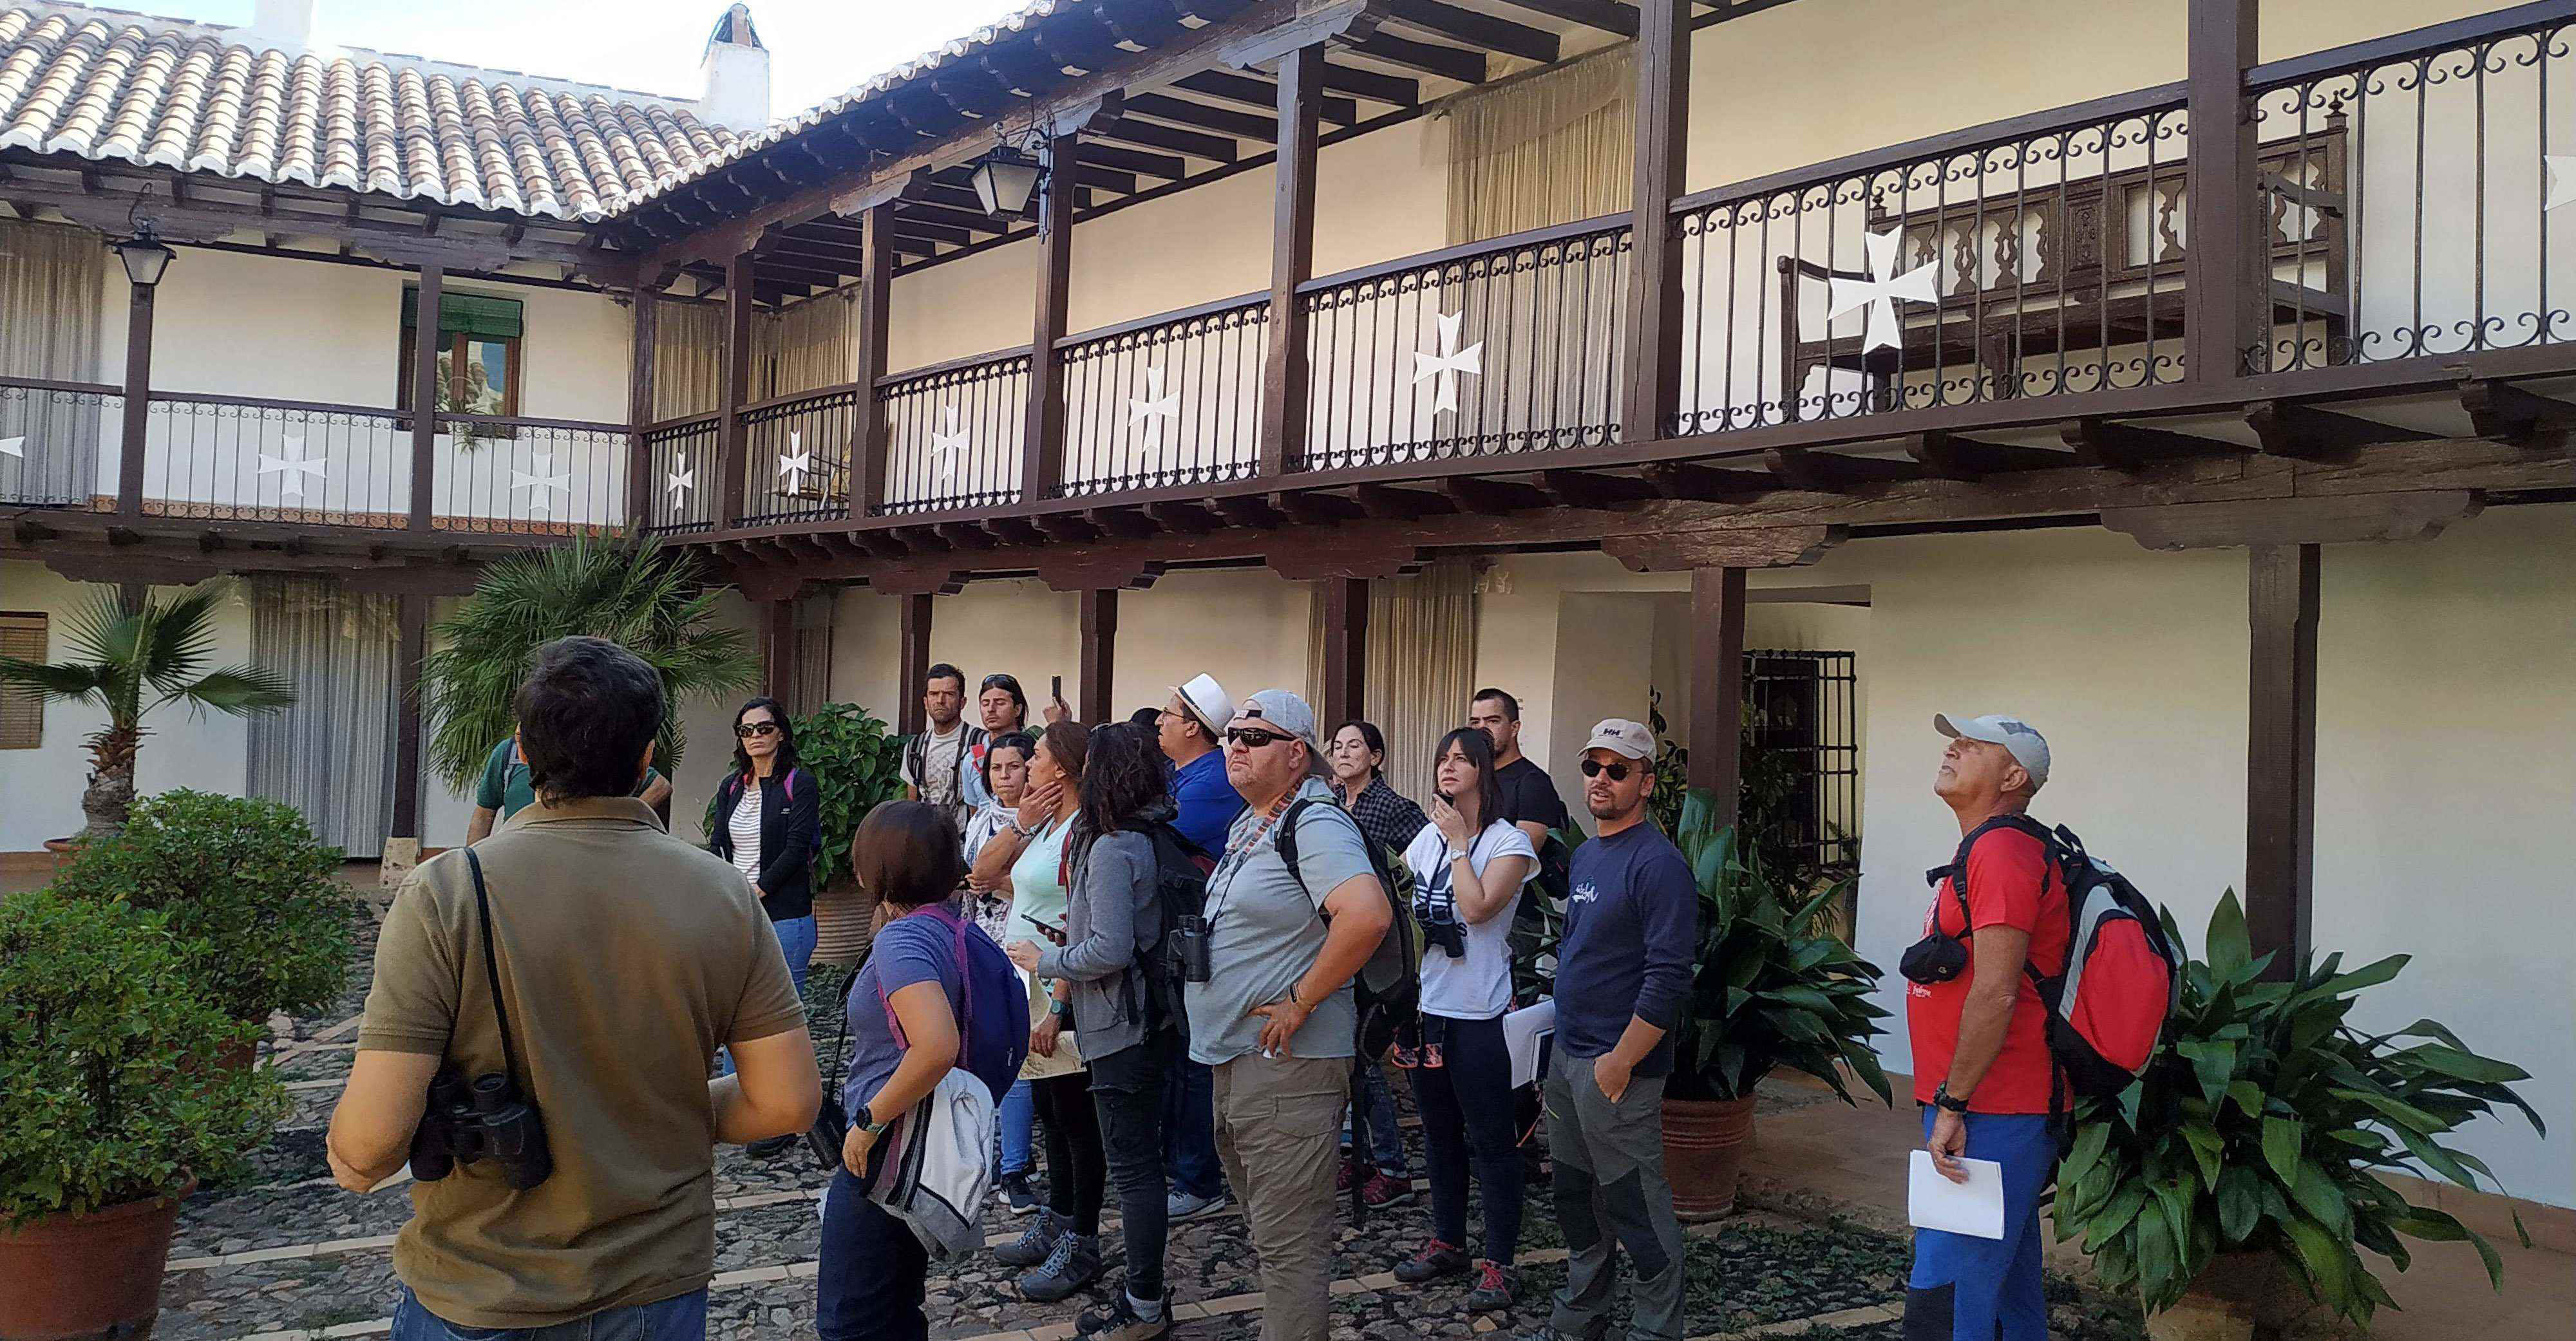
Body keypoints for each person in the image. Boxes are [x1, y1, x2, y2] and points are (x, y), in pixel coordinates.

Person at [329, 636, 819, 1340]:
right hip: (655, 1287)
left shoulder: (446, 893)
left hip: (479, 1287)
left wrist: (344, 1155)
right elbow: (785, 1101)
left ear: (520, 751)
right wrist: (649, 1114)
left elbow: (369, 1148)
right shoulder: (723, 894)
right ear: (648, 755)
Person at [1191, 689, 1392, 1341]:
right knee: (1271, 1239)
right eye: (1230, 735)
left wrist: (1302, 1000)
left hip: (1287, 1070)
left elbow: (1365, 915)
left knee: (1289, 1252)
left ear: (1295, 753)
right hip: (1240, 1061)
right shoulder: (1252, 823)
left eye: (1255, 736)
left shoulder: (1314, 821)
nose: (1235, 746)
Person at [1007, 722, 1184, 1341]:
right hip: (1144, 1021)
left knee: (1134, 1169)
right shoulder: (1145, 833)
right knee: (1134, 1163)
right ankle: (1141, 1290)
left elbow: (1108, 947)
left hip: (1121, 1026)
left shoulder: (1113, 847)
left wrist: (1046, 961)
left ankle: (1143, 1303)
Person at [1519, 719, 1695, 1341]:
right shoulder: (1590, 853)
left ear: (1646, 782)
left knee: (1636, 1209)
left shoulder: (1660, 864)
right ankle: (1580, 1320)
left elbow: (1669, 976)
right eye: (1593, 766)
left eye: (1617, 770)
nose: (1601, 779)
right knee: (1576, 1202)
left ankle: (1654, 1331)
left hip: (1616, 1068)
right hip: (1570, 1060)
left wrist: (1621, 1059)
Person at [1907, 713, 2068, 1341]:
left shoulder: (2001, 850)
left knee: (1946, 1292)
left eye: (1973, 743)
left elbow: (1996, 990)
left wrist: (1953, 1102)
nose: (1953, 746)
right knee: (2005, 1291)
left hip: (1991, 1110)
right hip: (1997, 1106)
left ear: (2012, 774)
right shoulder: (1994, 846)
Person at [815, 801, 976, 1341]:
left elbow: (936, 1046)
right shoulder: (944, 923)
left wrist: (869, 1121)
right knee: (895, 1307)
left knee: (850, 1320)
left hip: (888, 1147)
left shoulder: (903, 939)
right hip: (920, 1142)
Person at [1392, 727, 1537, 1312]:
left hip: (1479, 1012)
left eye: (1461, 759)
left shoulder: (1510, 843)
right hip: (1429, 1011)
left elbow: (1478, 910)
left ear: (1485, 770)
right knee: (1438, 1133)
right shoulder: (1423, 839)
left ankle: (1500, 1262)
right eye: (1442, 759)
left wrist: (1457, 843)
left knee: (1492, 1141)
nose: (1448, 768)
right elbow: (1404, 911)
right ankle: (1449, 1239)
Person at [971, 723, 1106, 1302]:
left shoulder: (1083, 832)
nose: (1029, 763)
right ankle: (1055, 1217)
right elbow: (981, 873)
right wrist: (1023, 821)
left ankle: (1083, 1238)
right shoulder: (1048, 821)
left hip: (1060, 996)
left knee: (1077, 1123)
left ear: (1064, 768)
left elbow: (1081, 922)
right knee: (1052, 1113)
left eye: (1041, 756)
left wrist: (1056, 1009)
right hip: (1031, 988)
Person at [1326, 719, 1424, 1209]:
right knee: (1345, 1057)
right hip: (1336, 945)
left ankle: (1392, 1166)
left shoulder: (1395, 807)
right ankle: (1356, 1153)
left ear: (1377, 756)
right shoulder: (1328, 803)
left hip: (1379, 947)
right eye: (1338, 746)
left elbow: (1426, 863)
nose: (1344, 754)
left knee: (1363, 1057)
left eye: (1355, 746)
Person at [1156, 672, 1241, 1223]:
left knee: (1193, 1061)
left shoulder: (1210, 780)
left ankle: (1198, 1176)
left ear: (1193, 725)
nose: (1160, 721)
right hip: (1183, 937)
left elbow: (1160, 839)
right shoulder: (1185, 772)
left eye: (1169, 713)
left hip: (1201, 939)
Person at [965, 731, 1042, 1216]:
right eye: (997, 768)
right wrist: (996, 880)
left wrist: (1004, 881)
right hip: (986, 943)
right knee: (986, 1052)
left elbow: (1035, 888)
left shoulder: (1049, 818)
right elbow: (975, 877)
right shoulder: (981, 819)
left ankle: (1016, 1165)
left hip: (1033, 948)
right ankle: (984, 1159)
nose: (1006, 775)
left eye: (1015, 766)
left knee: (1025, 1059)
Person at [466, 730, 669, 843]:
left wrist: (623, 818)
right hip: (517, 848)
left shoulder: (587, 751)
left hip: (583, 847)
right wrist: (473, 864)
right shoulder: (506, 753)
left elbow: (661, 786)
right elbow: (485, 812)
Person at [1467, 688, 1568, 850]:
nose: (1482, 730)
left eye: (1492, 721)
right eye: (1475, 722)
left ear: (1514, 728)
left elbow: (1522, 855)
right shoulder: (1471, 777)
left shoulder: (1533, 782)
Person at [902, 663, 989, 826]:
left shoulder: (980, 743)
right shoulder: (914, 747)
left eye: (949, 694)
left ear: (962, 702)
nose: (940, 700)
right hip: (926, 842)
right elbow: (913, 803)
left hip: (968, 844)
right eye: (934, 694)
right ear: (926, 702)